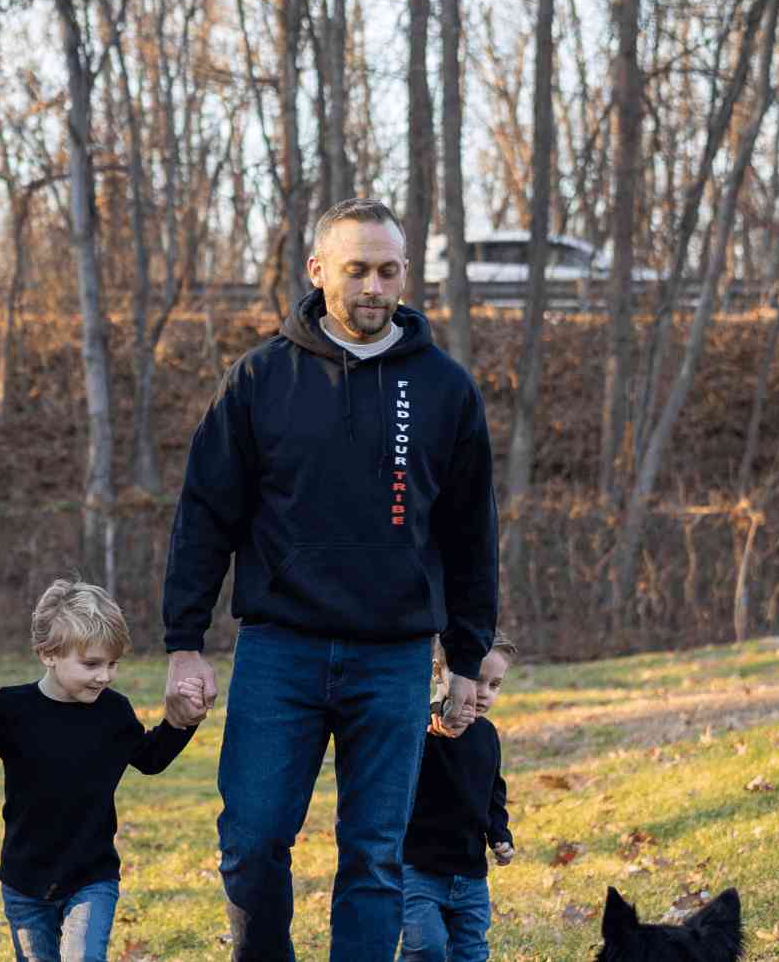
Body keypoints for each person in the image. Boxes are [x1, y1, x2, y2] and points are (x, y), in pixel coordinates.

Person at [160, 196, 499, 960]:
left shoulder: (446, 389)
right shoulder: (258, 380)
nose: (373, 287)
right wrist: (185, 639)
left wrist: (469, 658)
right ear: (318, 271)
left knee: (375, 859)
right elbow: (204, 515)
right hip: (282, 650)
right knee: (249, 843)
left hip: (396, 657)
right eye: (357, 270)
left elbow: (472, 535)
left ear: (406, 275)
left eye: (388, 271)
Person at [0, 579, 207, 962]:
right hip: (24, 884)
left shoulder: (114, 712)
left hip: (92, 878)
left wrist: (181, 722)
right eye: (92, 664)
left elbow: (150, 759)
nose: (105, 676)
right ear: (48, 654)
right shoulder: (10, 708)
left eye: (112, 663)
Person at [399, 636, 518, 962]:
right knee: (426, 947)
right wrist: (434, 715)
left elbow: (493, 793)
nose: (483, 692)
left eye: (494, 684)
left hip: (470, 874)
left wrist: (500, 835)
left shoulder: (487, 735)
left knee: (471, 952)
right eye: (476, 679)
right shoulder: (421, 727)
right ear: (439, 672)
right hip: (420, 868)